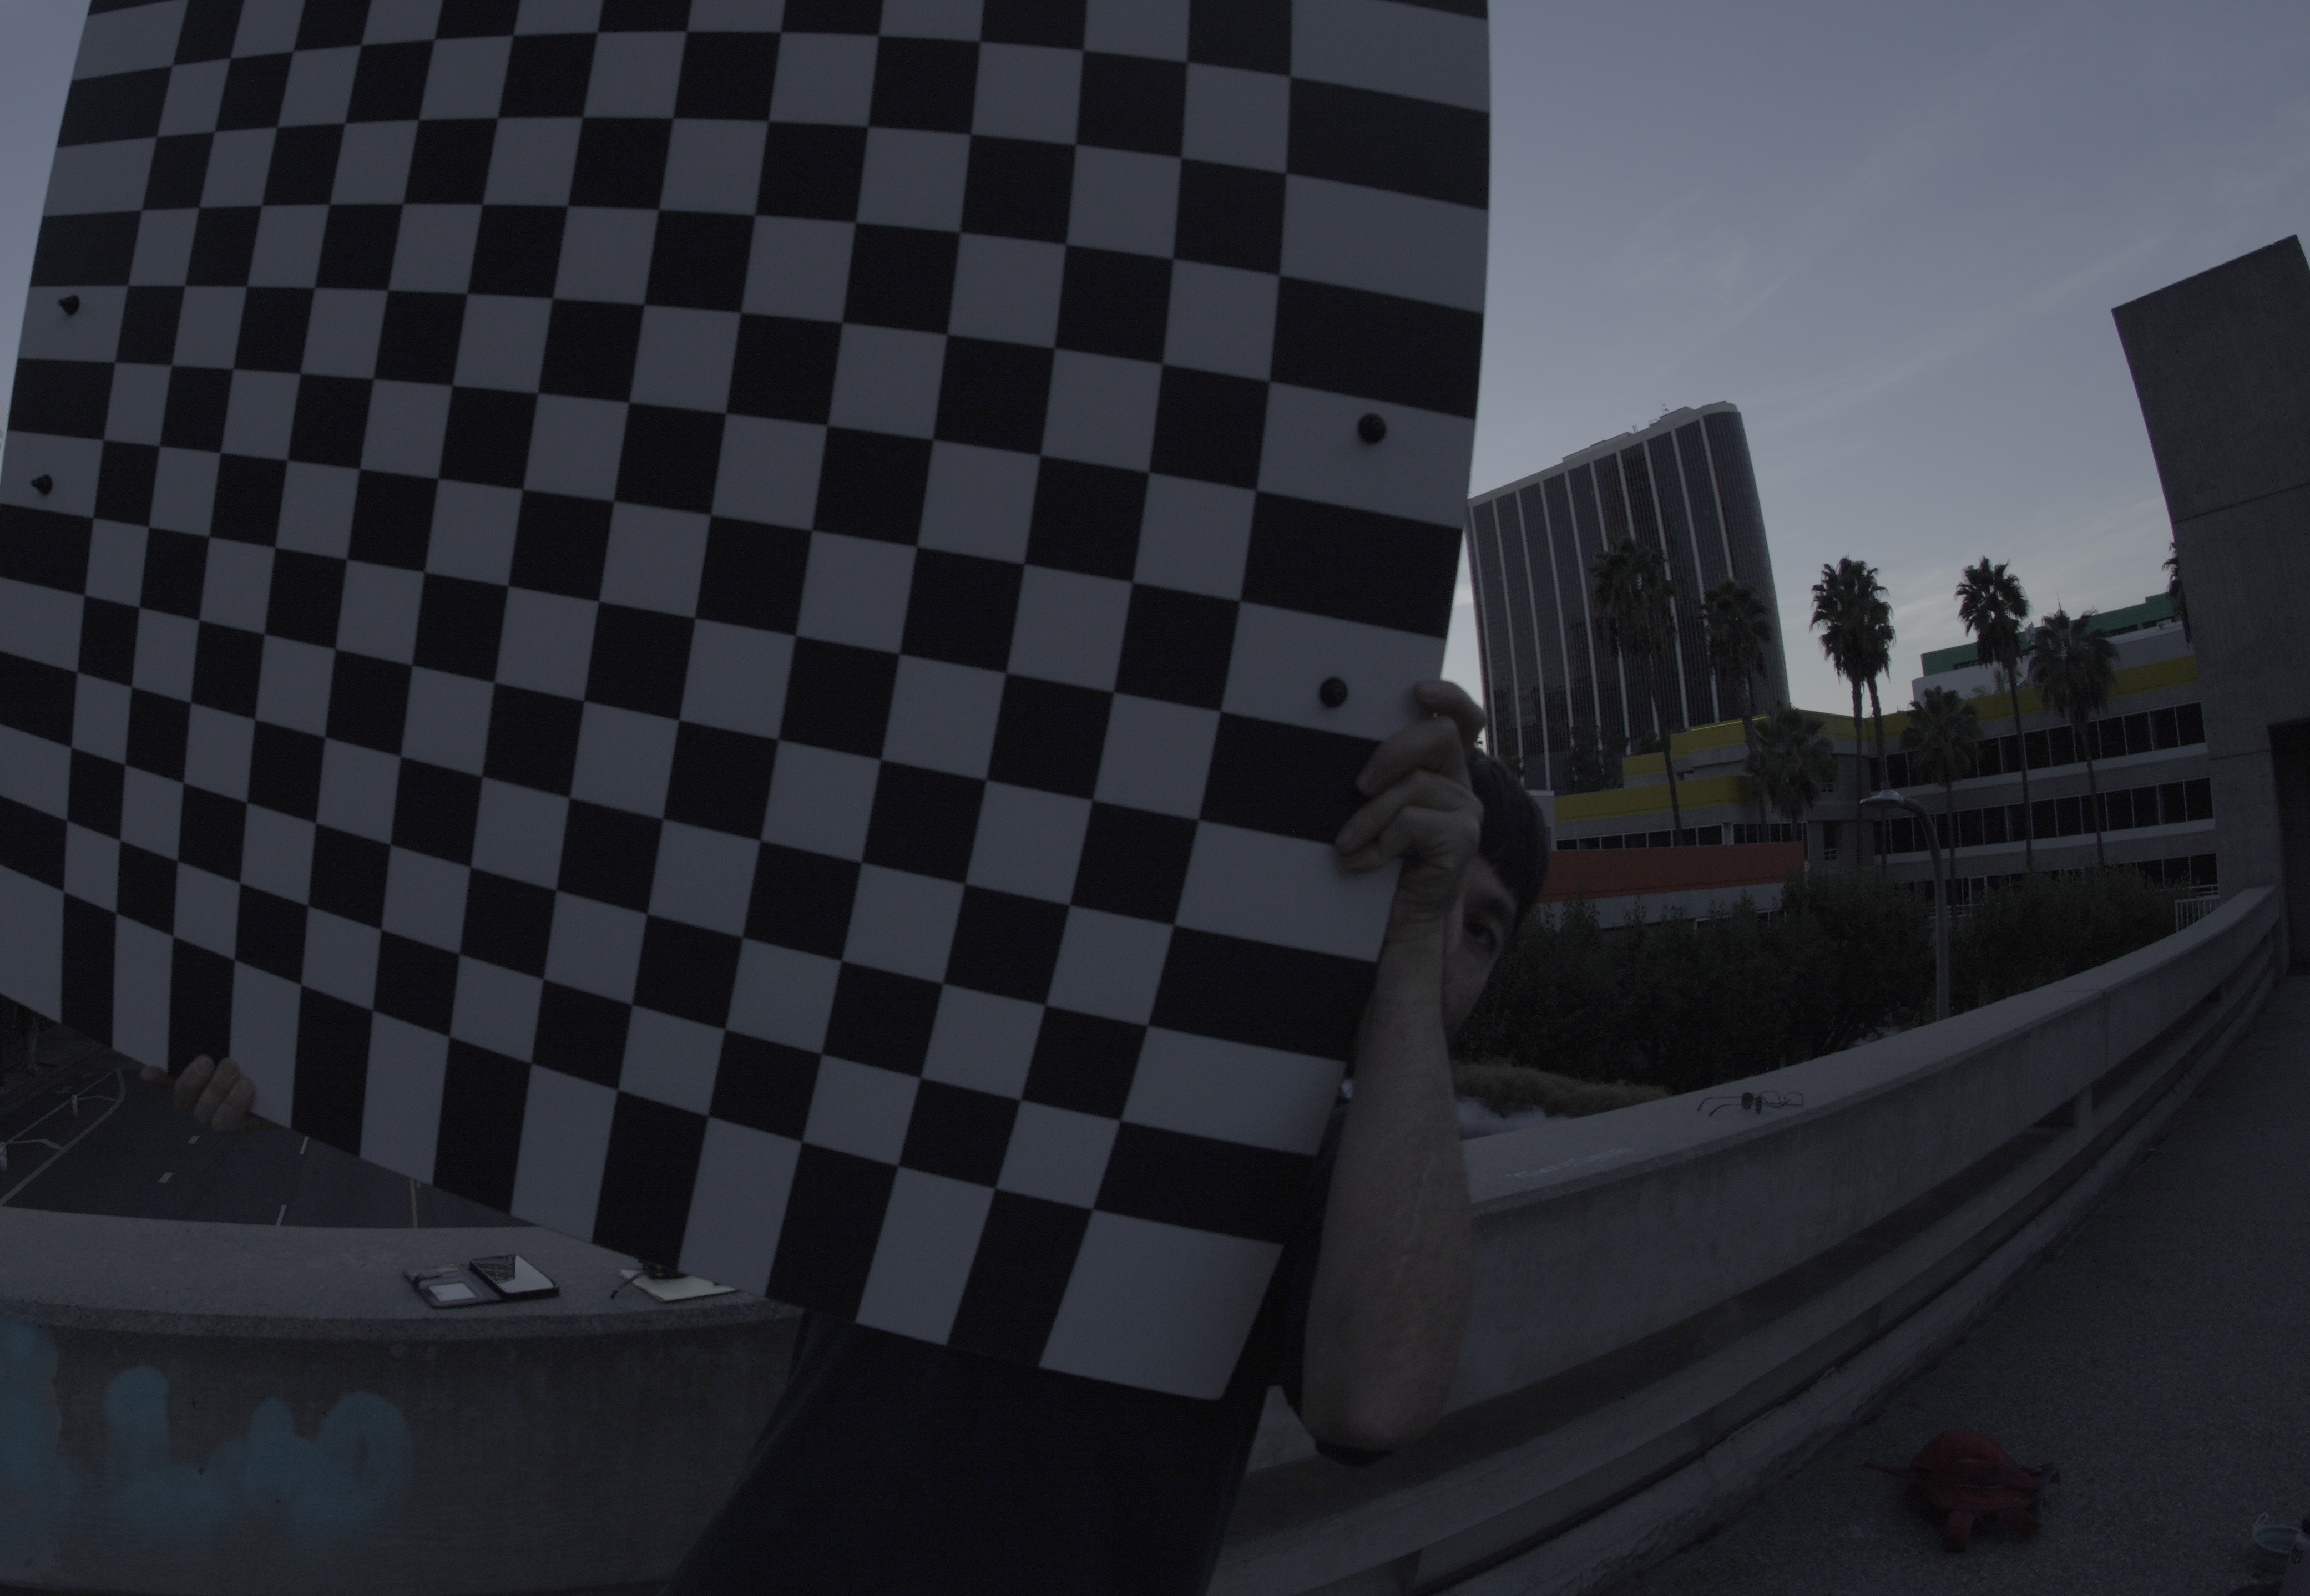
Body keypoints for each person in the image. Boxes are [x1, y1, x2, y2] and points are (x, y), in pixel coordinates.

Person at [149, 679, 1547, 1592]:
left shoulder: (1336, 1167)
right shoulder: (1004, 1027)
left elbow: (1377, 1396)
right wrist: (316, 1051)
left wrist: (1410, 932)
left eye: (1482, 930)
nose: (1445, 951)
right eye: (1424, 898)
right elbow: (609, 1019)